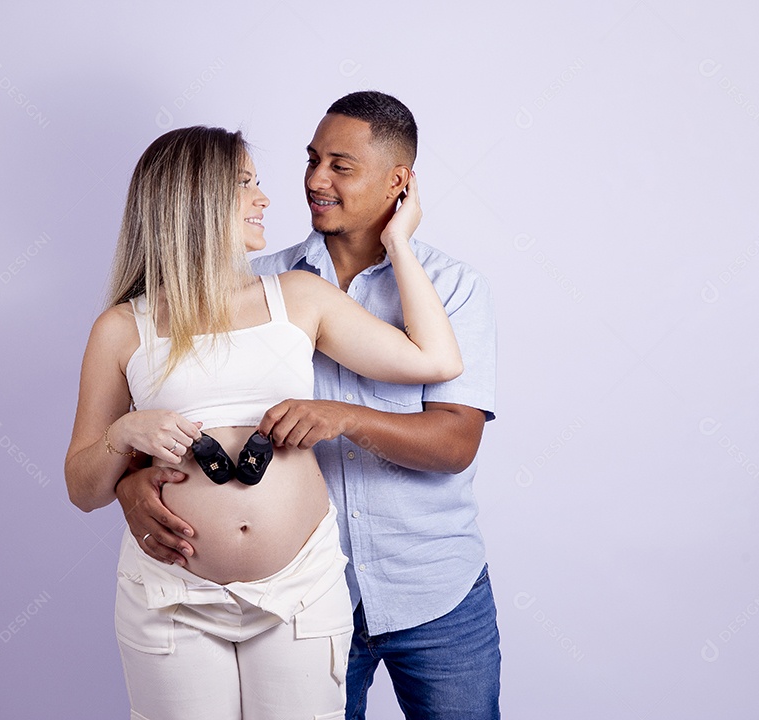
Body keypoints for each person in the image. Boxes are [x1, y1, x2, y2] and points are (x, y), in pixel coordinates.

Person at [117, 92, 501, 720]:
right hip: (300, 594)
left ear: (398, 182)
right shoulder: (258, 284)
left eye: (341, 167)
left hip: (429, 587)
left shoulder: (452, 289)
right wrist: (130, 483)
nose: (316, 180)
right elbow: (174, 400)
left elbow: (455, 443)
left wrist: (347, 417)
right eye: (312, 160)